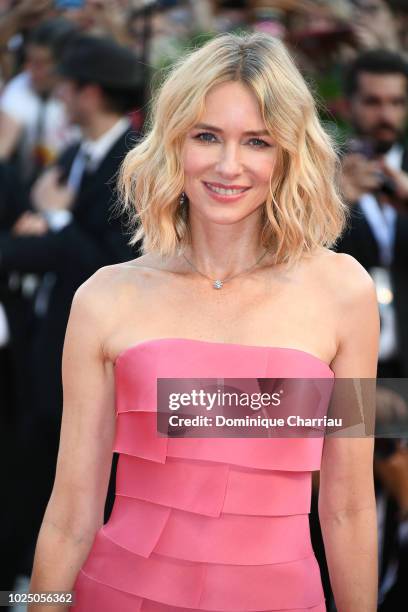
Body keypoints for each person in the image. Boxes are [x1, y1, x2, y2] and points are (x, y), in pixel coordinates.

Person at [29, 32, 379, 612]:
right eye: (207, 136)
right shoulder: (105, 298)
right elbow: (70, 514)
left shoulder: (344, 293)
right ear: (173, 143)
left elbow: (348, 506)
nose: (228, 165)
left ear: (288, 153)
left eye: (258, 141)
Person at [0, 33, 143, 594]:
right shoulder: (75, 154)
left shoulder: (133, 159)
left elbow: (118, 258)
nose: (59, 94)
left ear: (89, 92)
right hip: (43, 345)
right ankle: (33, 591)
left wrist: (57, 222)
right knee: (35, 481)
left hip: (100, 358)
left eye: (68, 84)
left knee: (83, 490)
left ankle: (77, 593)